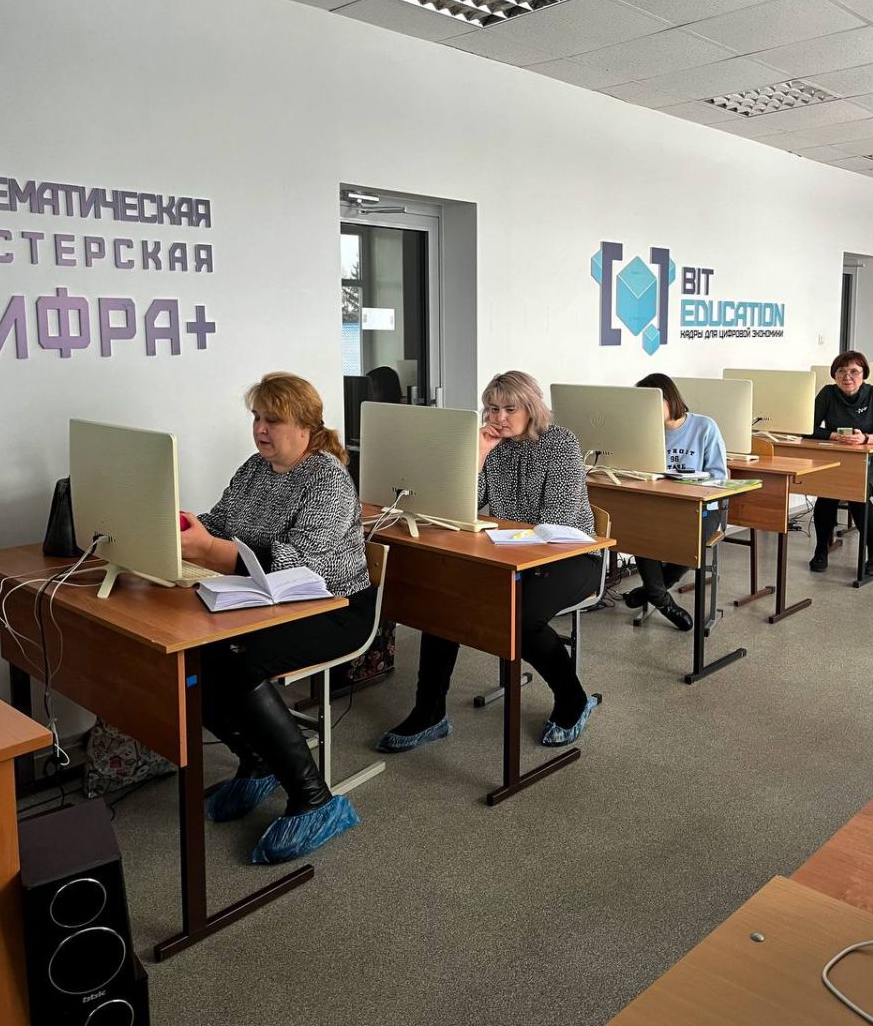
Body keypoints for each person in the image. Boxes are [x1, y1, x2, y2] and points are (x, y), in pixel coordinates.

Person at [180, 372, 376, 864]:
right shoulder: (255, 468)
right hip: (265, 601)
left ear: (306, 426)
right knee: (192, 659)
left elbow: (297, 565)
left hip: (334, 608)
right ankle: (256, 760)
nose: (260, 429)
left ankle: (314, 798)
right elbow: (221, 523)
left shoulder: (327, 478)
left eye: (273, 420)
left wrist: (209, 550)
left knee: (238, 660)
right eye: (256, 418)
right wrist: (188, 526)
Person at [376, 370, 602, 753]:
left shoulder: (561, 443)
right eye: (492, 409)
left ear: (531, 407)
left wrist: (505, 549)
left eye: (509, 409)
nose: (499, 417)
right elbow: (465, 504)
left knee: (522, 618)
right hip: (510, 554)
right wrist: (479, 455)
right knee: (444, 601)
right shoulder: (492, 444)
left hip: (571, 555)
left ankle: (573, 699)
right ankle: (430, 713)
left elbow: (557, 520)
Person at [621, 373, 727, 631]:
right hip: (658, 505)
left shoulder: (705, 427)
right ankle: (662, 600)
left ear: (669, 399)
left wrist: (689, 482)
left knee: (689, 544)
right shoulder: (645, 432)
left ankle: (651, 592)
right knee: (639, 530)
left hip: (702, 507)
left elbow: (719, 476)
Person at [808, 351, 873, 576]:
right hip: (840, 460)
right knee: (826, 492)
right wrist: (834, 436)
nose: (847, 376)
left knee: (856, 492)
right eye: (841, 371)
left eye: (854, 371)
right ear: (834, 375)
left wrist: (866, 438)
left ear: (863, 374)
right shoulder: (828, 393)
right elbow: (806, 427)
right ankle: (821, 550)